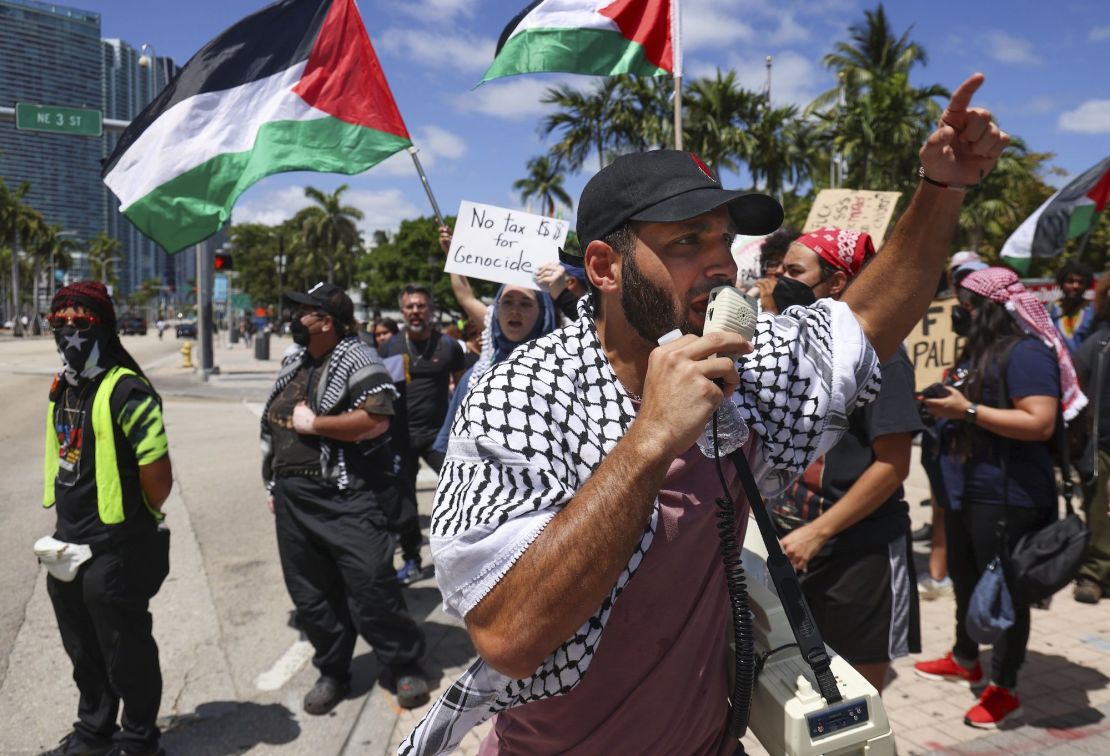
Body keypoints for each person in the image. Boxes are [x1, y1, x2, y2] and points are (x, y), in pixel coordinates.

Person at [399, 74, 1009, 754]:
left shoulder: (738, 370)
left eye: (722, 241)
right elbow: (507, 636)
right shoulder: (520, 396)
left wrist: (941, 189)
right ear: (604, 266)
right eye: (688, 242)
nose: (721, 264)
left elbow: (865, 324)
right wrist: (651, 440)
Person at [915, 267, 1086, 728]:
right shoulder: (980, 351)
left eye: (967, 303)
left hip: (1009, 495)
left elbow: (1040, 422)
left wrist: (965, 409)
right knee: (968, 581)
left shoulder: (1028, 353)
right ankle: (965, 657)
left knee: (1004, 593)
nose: (959, 311)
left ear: (991, 306)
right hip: (968, 489)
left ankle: (1005, 689)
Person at [260, 282, 429, 715]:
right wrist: (273, 485)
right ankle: (332, 669)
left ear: (326, 322)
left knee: (371, 586)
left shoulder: (358, 357)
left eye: (304, 312)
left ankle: (403, 664)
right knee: (312, 594)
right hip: (294, 500)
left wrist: (316, 425)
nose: (294, 319)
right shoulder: (294, 361)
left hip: (345, 495)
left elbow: (376, 419)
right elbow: (272, 426)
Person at [768, 228, 923, 695]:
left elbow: (893, 467)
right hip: (795, 547)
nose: (780, 280)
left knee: (857, 692)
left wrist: (818, 532)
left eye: (795, 272)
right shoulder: (794, 347)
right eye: (779, 270)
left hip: (859, 555)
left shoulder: (884, 357)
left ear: (836, 283)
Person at [40, 281, 173, 756]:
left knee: (126, 648)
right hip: (68, 542)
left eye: (82, 322)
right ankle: (94, 731)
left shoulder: (127, 390)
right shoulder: (64, 387)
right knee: (82, 647)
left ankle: (139, 739)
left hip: (116, 546)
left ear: (106, 327)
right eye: (60, 322)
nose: (69, 332)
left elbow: (158, 474)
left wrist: (140, 521)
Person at [378, 284, 466, 583]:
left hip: (437, 438)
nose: (416, 311)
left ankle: (461, 556)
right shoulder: (391, 347)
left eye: (421, 306)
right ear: (403, 311)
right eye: (410, 307)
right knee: (404, 506)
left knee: (462, 491)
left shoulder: (448, 346)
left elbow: (461, 388)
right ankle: (412, 559)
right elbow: (383, 393)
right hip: (400, 438)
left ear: (430, 310)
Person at [917, 256, 990, 601]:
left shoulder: (1005, 352)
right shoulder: (966, 350)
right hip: (946, 452)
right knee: (943, 511)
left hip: (981, 467)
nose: (964, 304)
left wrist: (968, 410)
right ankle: (939, 574)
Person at [432, 280, 559, 457]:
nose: (515, 311)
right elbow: (449, 449)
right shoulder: (475, 378)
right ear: (496, 312)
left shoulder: (561, 375)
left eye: (525, 303)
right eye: (507, 302)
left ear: (543, 313)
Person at [1073, 268, 1110, 604]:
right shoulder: (1097, 343)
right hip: (1100, 444)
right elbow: (1073, 385)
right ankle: (1094, 574)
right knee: (1099, 510)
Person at [745, 226, 800, 312]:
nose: (778, 271)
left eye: (788, 267)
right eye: (773, 264)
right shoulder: (751, 302)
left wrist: (770, 310)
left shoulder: (802, 311)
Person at [1049, 260, 1096, 354]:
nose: (1075, 286)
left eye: (1080, 282)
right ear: (1061, 284)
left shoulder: (1094, 310)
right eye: (1070, 281)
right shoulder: (1049, 310)